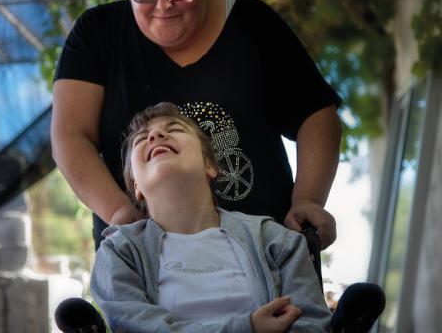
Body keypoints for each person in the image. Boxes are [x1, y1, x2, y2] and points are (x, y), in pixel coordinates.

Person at [51, 0, 342, 249]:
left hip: (267, 255)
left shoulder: (252, 23)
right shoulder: (96, 35)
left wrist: (309, 199)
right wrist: (121, 213)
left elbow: (317, 115)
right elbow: (70, 135)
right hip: (149, 266)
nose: (163, 4)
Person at [90, 102, 333, 332]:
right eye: (143, 139)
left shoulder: (275, 240)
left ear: (210, 166)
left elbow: (310, 322)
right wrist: (246, 329)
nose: (155, 136)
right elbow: (134, 327)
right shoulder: (119, 252)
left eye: (173, 129)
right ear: (136, 187)